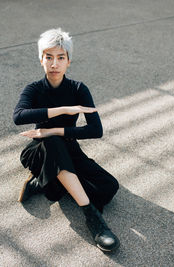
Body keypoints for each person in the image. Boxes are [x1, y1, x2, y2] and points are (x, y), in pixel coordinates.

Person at [13, 28, 120, 252]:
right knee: (52, 144)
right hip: (39, 150)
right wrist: (63, 109)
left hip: (67, 147)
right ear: (40, 59)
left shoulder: (79, 89)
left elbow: (96, 130)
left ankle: (44, 182)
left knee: (109, 186)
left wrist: (54, 130)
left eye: (61, 58)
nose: (54, 64)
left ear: (68, 61)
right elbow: (18, 117)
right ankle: (93, 219)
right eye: (49, 57)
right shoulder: (33, 89)